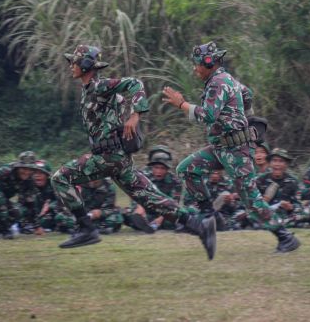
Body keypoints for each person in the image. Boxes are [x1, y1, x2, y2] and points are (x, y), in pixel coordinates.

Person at [51, 44, 215, 259]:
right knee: (151, 199)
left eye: (74, 62)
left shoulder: (100, 86)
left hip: (108, 157)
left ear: (85, 65)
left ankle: (87, 229)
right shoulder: (91, 90)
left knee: (60, 178)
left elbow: (135, 84)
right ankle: (200, 226)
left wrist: (136, 115)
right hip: (118, 159)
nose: (71, 65)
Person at [163, 41, 299, 253]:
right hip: (221, 148)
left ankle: (285, 237)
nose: (194, 68)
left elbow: (208, 115)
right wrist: (244, 117)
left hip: (236, 151)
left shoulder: (218, 82)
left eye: (196, 64)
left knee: (251, 200)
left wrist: (182, 104)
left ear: (208, 62)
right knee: (187, 169)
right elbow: (248, 94)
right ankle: (208, 217)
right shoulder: (227, 80)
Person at [255, 148, 304, 228]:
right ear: (270, 163)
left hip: (285, 216)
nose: (277, 164)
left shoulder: (293, 181)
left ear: (286, 164)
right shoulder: (261, 180)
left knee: (304, 212)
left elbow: (299, 205)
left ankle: (278, 225)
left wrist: (290, 207)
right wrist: (265, 201)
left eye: (281, 161)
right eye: (274, 160)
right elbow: (253, 203)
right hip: (265, 215)